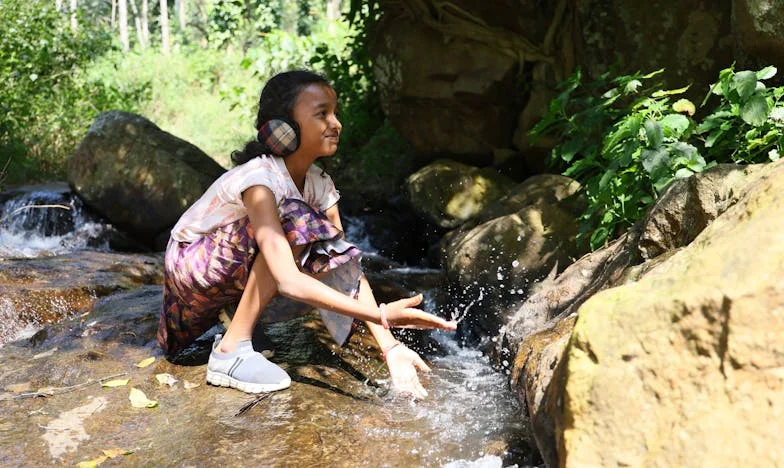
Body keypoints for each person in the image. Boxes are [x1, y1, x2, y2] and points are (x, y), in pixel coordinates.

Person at [157, 70, 456, 398]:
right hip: (192, 269)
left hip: (228, 274)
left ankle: (237, 320)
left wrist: (390, 346)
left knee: (320, 247)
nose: (336, 123)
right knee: (298, 222)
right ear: (282, 129)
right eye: (322, 113)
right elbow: (287, 279)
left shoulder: (319, 185)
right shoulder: (261, 180)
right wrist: (382, 313)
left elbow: (342, 268)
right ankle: (230, 352)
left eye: (335, 112)